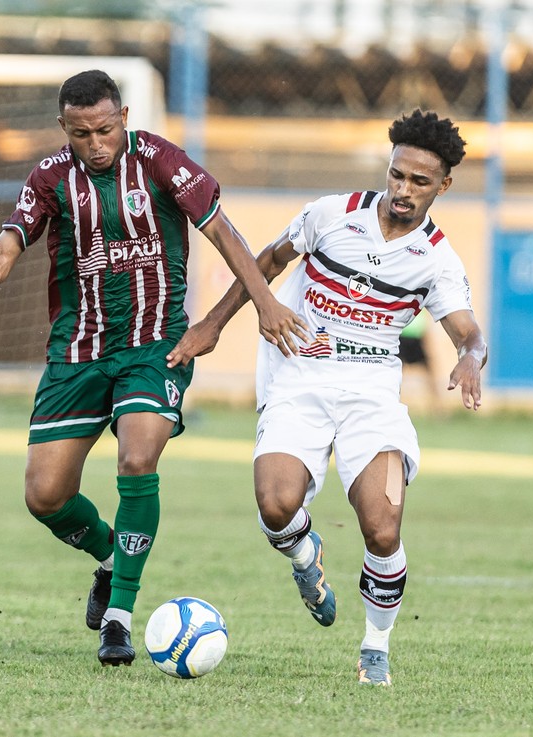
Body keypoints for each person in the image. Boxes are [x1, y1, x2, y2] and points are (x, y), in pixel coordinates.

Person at [0, 70, 305, 667]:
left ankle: (119, 616)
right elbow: (5, 250)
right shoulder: (49, 179)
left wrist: (261, 305)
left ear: (123, 115)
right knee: (45, 496)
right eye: (80, 133)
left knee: (138, 456)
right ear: (63, 127)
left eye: (103, 128)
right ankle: (114, 556)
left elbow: (223, 232)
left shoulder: (160, 161)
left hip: (155, 345)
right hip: (78, 349)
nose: (94, 143)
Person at [166, 109, 488, 685]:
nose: (403, 191)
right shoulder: (330, 215)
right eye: (397, 175)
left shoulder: (438, 259)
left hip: (371, 396)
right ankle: (304, 556)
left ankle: (375, 648)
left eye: (419, 182)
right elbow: (265, 261)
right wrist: (213, 325)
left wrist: (469, 356)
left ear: (443, 185)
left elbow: (468, 331)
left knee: (383, 527)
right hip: (300, 379)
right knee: (275, 507)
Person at [398, 308, 441, 414]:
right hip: (402, 335)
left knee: (429, 371)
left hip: (417, 335)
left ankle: (438, 406)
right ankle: (393, 403)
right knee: (396, 373)